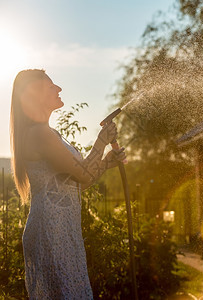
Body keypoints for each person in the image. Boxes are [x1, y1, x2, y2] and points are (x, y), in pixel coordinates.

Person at [10, 69, 126, 299]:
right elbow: (83, 175)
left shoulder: (50, 133)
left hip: (63, 229)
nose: (59, 89)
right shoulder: (39, 134)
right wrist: (101, 142)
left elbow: (74, 185)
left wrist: (104, 163)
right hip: (50, 230)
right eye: (51, 86)